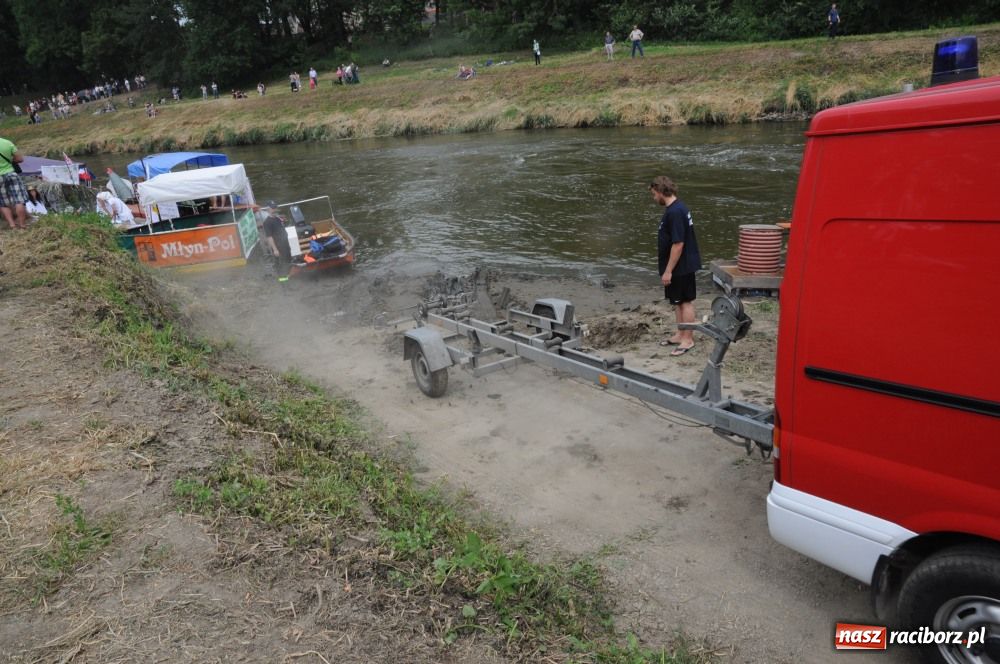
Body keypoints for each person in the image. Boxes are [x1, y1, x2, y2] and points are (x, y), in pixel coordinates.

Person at [651, 175, 701, 356]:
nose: (654, 198)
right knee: (677, 301)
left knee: (685, 302)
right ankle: (680, 334)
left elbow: (678, 244)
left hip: (682, 265)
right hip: (677, 265)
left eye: (654, 194)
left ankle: (688, 339)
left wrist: (668, 270)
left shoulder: (675, 212)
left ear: (660, 191)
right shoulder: (675, 208)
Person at [0, 136, 28, 230]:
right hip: (11, 174)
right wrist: (10, 161)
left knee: (3, 203)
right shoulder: (7, 142)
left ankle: (12, 225)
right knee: (19, 200)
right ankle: (22, 225)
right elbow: (20, 159)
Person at [260, 200, 292, 282]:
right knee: (281, 266)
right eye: (272, 208)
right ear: (268, 209)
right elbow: (269, 237)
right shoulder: (267, 222)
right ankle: (284, 285)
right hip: (278, 247)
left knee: (288, 262)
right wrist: (275, 249)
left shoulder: (278, 218)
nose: (274, 210)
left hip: (285, 245)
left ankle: (288, 280)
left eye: (275, 208)